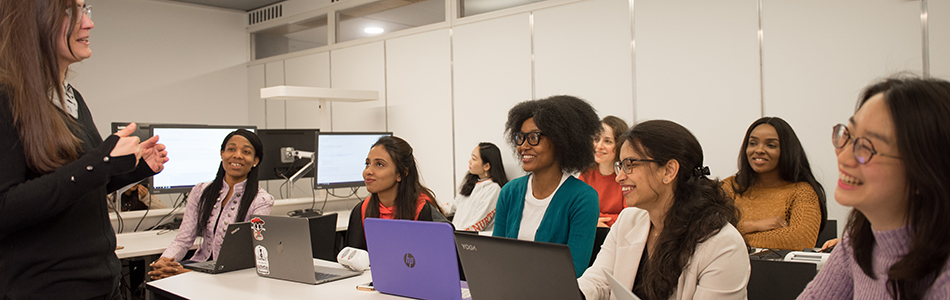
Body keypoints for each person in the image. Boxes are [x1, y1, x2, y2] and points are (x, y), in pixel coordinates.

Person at [0, 1, 168, 298]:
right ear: (33, 23)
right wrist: (101, 161)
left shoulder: (69, 97)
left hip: (102, 283)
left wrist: (136, 165)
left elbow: (79, 188)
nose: (88, 23)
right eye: (70, 12)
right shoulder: (7, 98)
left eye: (85, 9)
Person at [798, 77, 950, 299]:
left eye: (868, 147)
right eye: (848, 136)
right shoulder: (859, 240)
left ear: (926, 171)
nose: (844, 157)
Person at [578, 120, 749, 300]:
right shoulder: (628, 220)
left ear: (669, 171)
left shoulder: (723, 245)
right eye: (620, 166)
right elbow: (599, 281)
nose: (619, 177)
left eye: (630, 164)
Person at [494, 95, 601, 278]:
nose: (523, 146)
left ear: (561, 141)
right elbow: (494, 256)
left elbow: (574, 270)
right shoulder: (509, 192)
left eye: (534, 137)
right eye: (520, 137)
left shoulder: (583, 198)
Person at [148, 129, 274, 280]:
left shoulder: (261, 201)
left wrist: (188, 275)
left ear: (255, 161)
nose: (237, 155)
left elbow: (249, 255)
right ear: (222, 154)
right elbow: (184, 239)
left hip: (232, 275)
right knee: (159, 279)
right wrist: (164, 262)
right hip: (198, 265)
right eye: (231, 149)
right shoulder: (201, 191)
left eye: (246, 151)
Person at [722, 117, 827, 250]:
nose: (759, 150)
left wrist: (733, 237)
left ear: (786, 151)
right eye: (753, 143)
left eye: (771, 145)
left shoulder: (802, 192)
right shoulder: (728, 187)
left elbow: (800, 240)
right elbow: (706, 232)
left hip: (779, 270)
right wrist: (753, 225)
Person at [346, 136, 448, 250]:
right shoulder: (361, 210)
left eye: (379, 164)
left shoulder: (422, 210)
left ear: (401, 174)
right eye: (367, 164)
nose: (368, 171)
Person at [441, 142, 509, 231]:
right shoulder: (472, 183)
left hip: (469, 240)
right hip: (456, 235)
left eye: (474, 159)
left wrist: (455, 234)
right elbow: (455, 204)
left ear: (486, 166)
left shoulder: (493, 189)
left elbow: (477, 225)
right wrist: (437, 209)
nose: (469, 161)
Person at [578, 115, 630, 227]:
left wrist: (594, 219)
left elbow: (630, 217)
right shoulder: (586, 174)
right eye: (596, 139)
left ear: (620, 145)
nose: (599, 146)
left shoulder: (627, 177)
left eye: (607, 141)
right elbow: (576, 211)